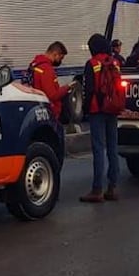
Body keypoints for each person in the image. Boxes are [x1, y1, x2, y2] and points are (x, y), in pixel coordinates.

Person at [80, 33, 122, 203]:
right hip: (112, 108)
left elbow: (88, 90)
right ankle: (113, 187)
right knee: (113, 147)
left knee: (98, 149)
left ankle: (97, 189)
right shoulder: (115, 63)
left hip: (97, 110)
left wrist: (85, 109)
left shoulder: (92, 64)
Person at [27, 42, 70, 120]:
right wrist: (66, 88)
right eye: (60, 58)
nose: (60, 61)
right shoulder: (47, 69)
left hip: (36, 109)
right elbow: (52, 95)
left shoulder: (34, 64)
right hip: (48, 111)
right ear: (55, 54)